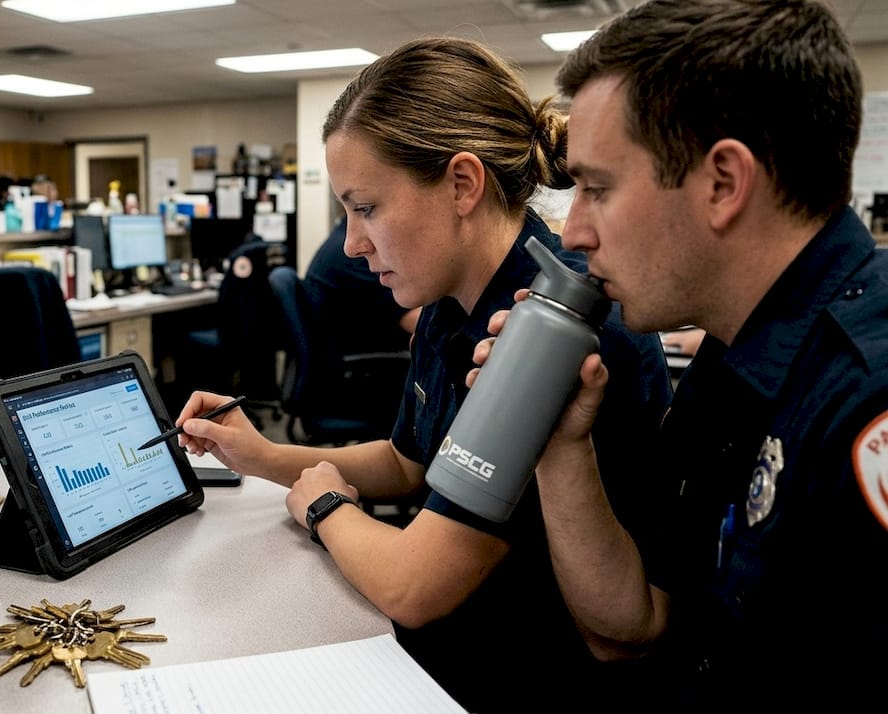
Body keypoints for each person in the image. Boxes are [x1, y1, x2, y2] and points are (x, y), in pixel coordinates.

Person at [175, 37, 672, 711]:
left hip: (526, 676)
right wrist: (263, 457)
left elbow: (416, 586)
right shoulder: (447, 301)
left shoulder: (546, 326)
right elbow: (412, 462)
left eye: (368, 207)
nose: (350, 243)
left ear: (463, 185)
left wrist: (324, 506)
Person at [487, 0, 888, 708]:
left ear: (723, 184)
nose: (572, 231)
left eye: (597, 188)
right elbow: (634, 627)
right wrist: (557, 442)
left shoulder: (865, 397)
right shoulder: (733, 351)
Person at [305, 215, 420, 354]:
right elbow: (418, 321)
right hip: (373, 363)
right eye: (367, 208)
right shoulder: (355, 258)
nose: (350, 247)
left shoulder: (339, 240)